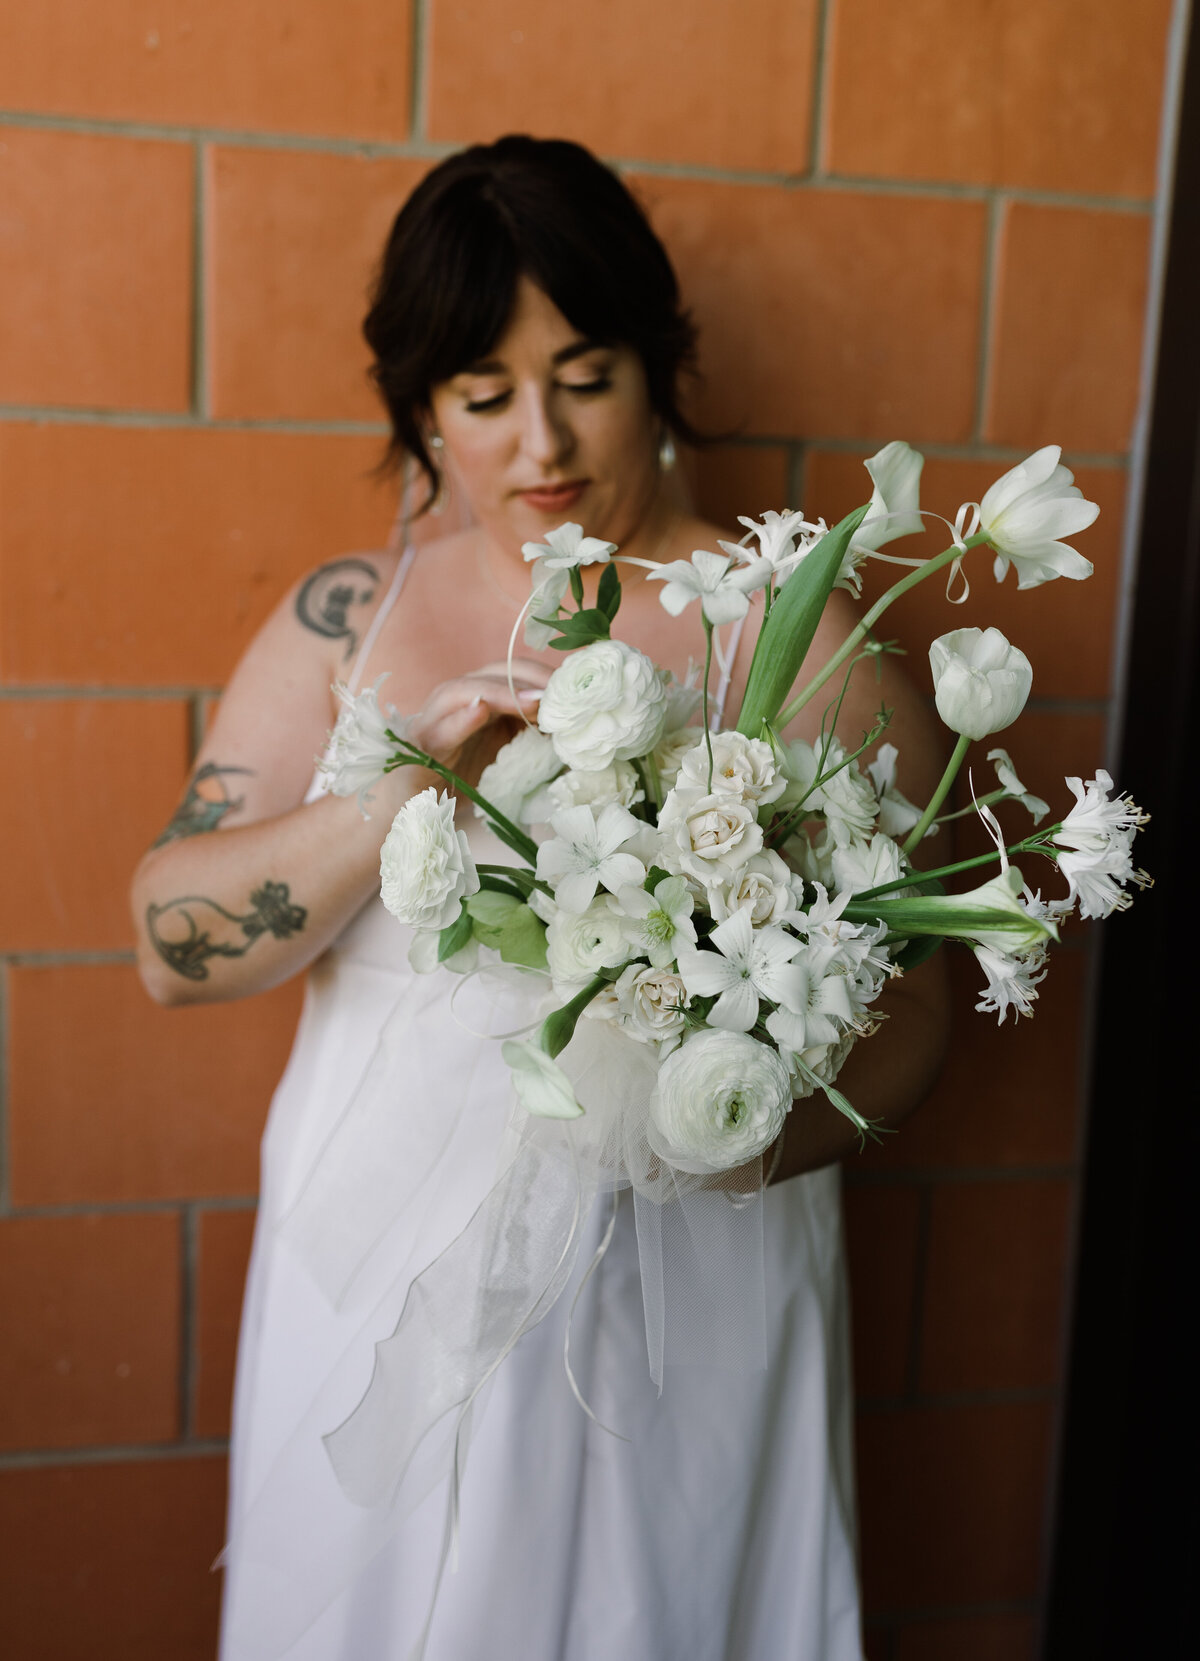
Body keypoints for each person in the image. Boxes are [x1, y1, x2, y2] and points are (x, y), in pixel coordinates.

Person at [132, 135, 947, 1661]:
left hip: (698, 1262)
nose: (541, 442)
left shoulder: (791, 621)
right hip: (385, 1263)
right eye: (483, 396)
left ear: (657, 368)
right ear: (422, 411)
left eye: (587, 373)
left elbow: (922, 1008)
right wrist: (387, 807)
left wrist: (747, 1143)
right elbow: (173, 942)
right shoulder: (349, 613)